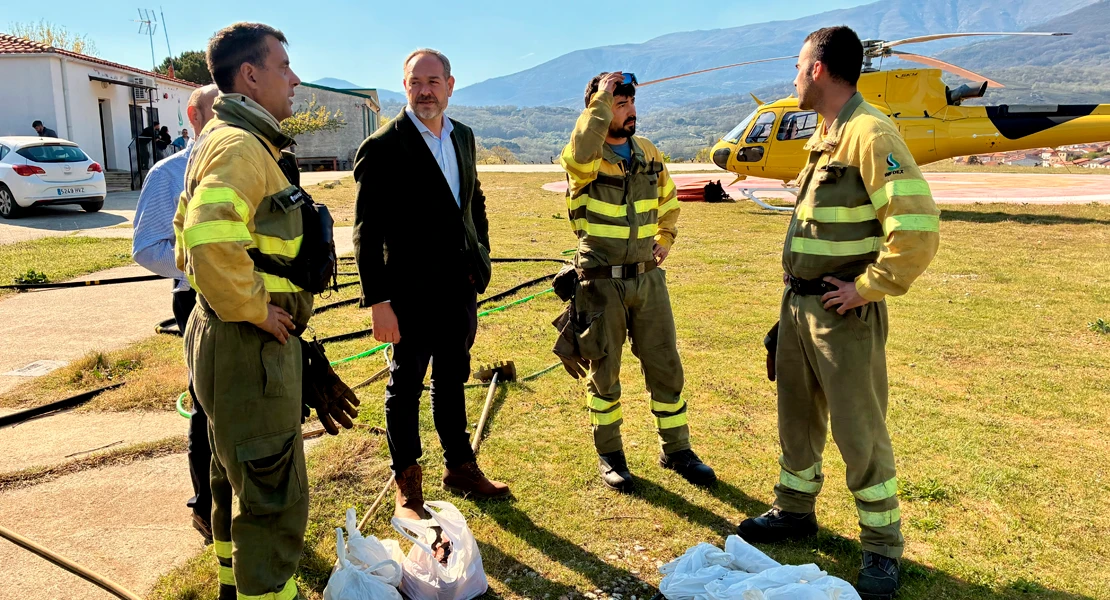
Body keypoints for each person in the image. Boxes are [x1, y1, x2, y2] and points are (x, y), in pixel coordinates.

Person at [734, 26, 940, 600]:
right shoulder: (827, 135)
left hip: (842, 315)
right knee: (797, 418)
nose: (794, 77)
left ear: (819, 69)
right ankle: (795, 510)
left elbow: (917, 229)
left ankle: (881, 547)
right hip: (800, 307)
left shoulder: (870, 133)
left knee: (859, 430)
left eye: (798, 66)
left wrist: (868, 288)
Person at [176, 22, 309, 600]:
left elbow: (184, 233)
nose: (294, 79)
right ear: (250, 76)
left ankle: (235, 586)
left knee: (234, 479)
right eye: (283, 67)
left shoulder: (222, 138)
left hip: (223, 334)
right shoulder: (239, 146)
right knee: (271, 491)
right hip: (248, 346)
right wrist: (258, 310)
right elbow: (208, 241)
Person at [353, 48, 508, 521]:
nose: (424, 91)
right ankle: (407, 484)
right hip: (408, 292)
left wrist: (480, 254)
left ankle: (460, 465)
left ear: (450, 85)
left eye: (433, 81)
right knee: (406, 386)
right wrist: (378, 301)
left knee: (452, 377)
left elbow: (473, 201)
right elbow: (366, 233)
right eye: (415, 82)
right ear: (405, 86)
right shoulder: (382, 146)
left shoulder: (463, 136)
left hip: (458, 285)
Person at [558, 72, 716, 492]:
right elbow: (579, 156)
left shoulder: (648, 152)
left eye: (630, 103)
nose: (630, 112)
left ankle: (677, 449)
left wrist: (665, 237)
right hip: (600, 283)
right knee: (604, 371)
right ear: (598, 110)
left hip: (647, 281)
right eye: (619, 104)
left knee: (666, 366)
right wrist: (601, 99)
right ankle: (610, 454)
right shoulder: (585, 155)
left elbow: (669, 200)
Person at [131, 83, 219, 545]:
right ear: (193, 116)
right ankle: (206, 508)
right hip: (199, 301)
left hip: (252, 299)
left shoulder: (249, 161)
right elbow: (147, 248)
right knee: (206, 402)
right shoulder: (168, 174)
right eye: (215, 110)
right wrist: (206, 268)